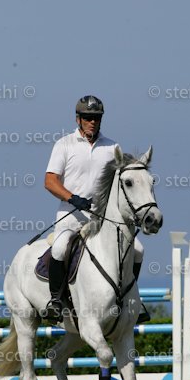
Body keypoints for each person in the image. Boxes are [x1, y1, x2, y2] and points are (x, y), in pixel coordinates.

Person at [44, 95, 147, 324]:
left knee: (138, 249)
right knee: (59, 248)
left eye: (96, 118)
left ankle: (132, 299)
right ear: (78, 119)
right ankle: (56, 300)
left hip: (101, 218)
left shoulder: (112, 147)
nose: (92, 122)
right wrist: (73, 198)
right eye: (88, 118)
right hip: (70, 215)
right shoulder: (64, 144)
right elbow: (50, 181)